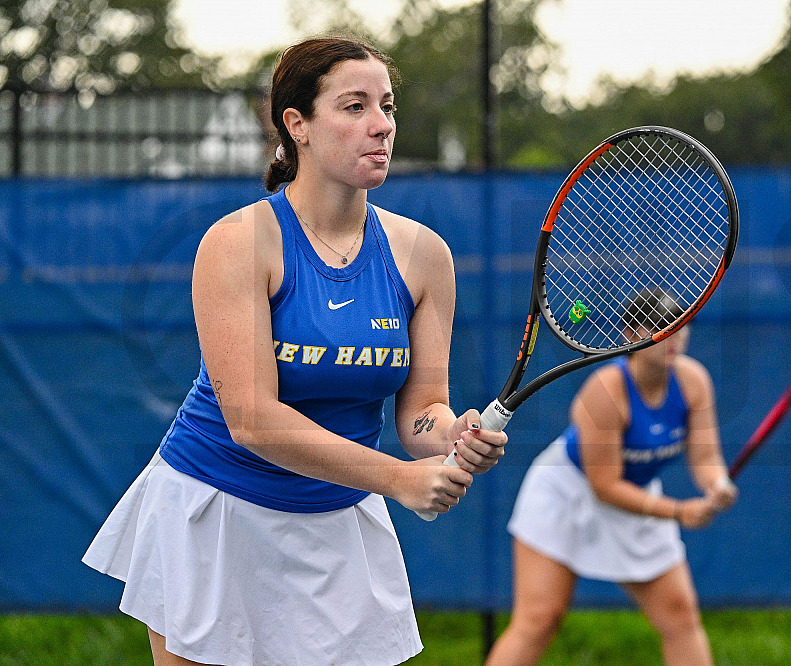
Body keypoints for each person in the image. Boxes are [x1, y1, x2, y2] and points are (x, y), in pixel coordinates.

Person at [83, 36, 506, 666]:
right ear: (297, 125)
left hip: (337, 521)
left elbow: (422, 410)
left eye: (387, 106)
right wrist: (398, 479)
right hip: (215, 511)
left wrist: (453, 433)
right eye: (355, 106)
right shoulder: (238, 242)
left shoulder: (424, 255)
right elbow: (253, 420)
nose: (381, 125)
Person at [486, 289, 737, 666]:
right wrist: (678, 511)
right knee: (539, 619)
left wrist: (717, 484)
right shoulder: (605, 391)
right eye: (660, 327)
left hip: (637, 495)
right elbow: (604, 487)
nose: (674, 336)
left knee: (681, 617)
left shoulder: (693, 381)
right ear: (630, 335)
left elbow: (705, 458)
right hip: (566, 493)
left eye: (681, 325)